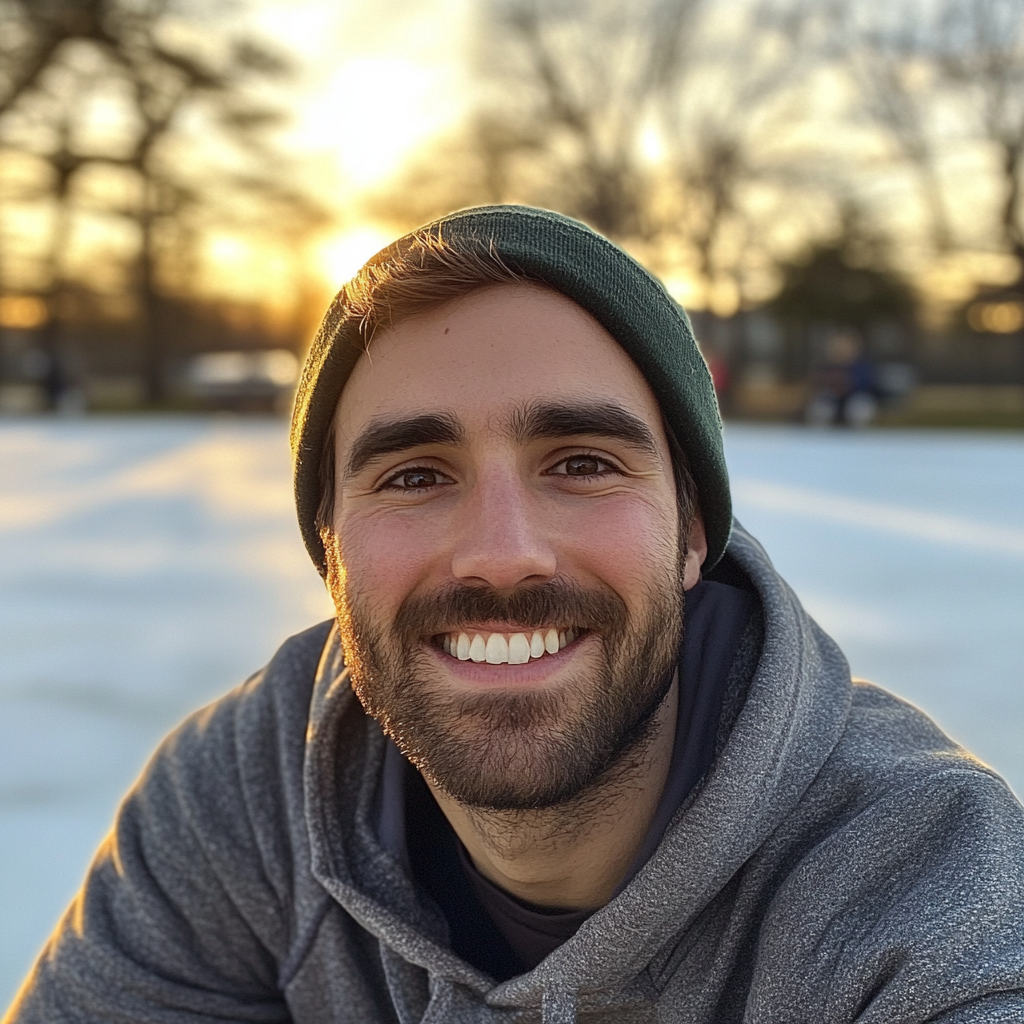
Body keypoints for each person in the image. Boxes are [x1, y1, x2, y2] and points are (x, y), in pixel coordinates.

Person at [6, 206, 1024, 1024]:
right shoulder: (248, 798)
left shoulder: (924, 889)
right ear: (329, 550)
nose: (501, 552)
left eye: (581, 462)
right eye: (413, 474)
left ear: (690, 534)